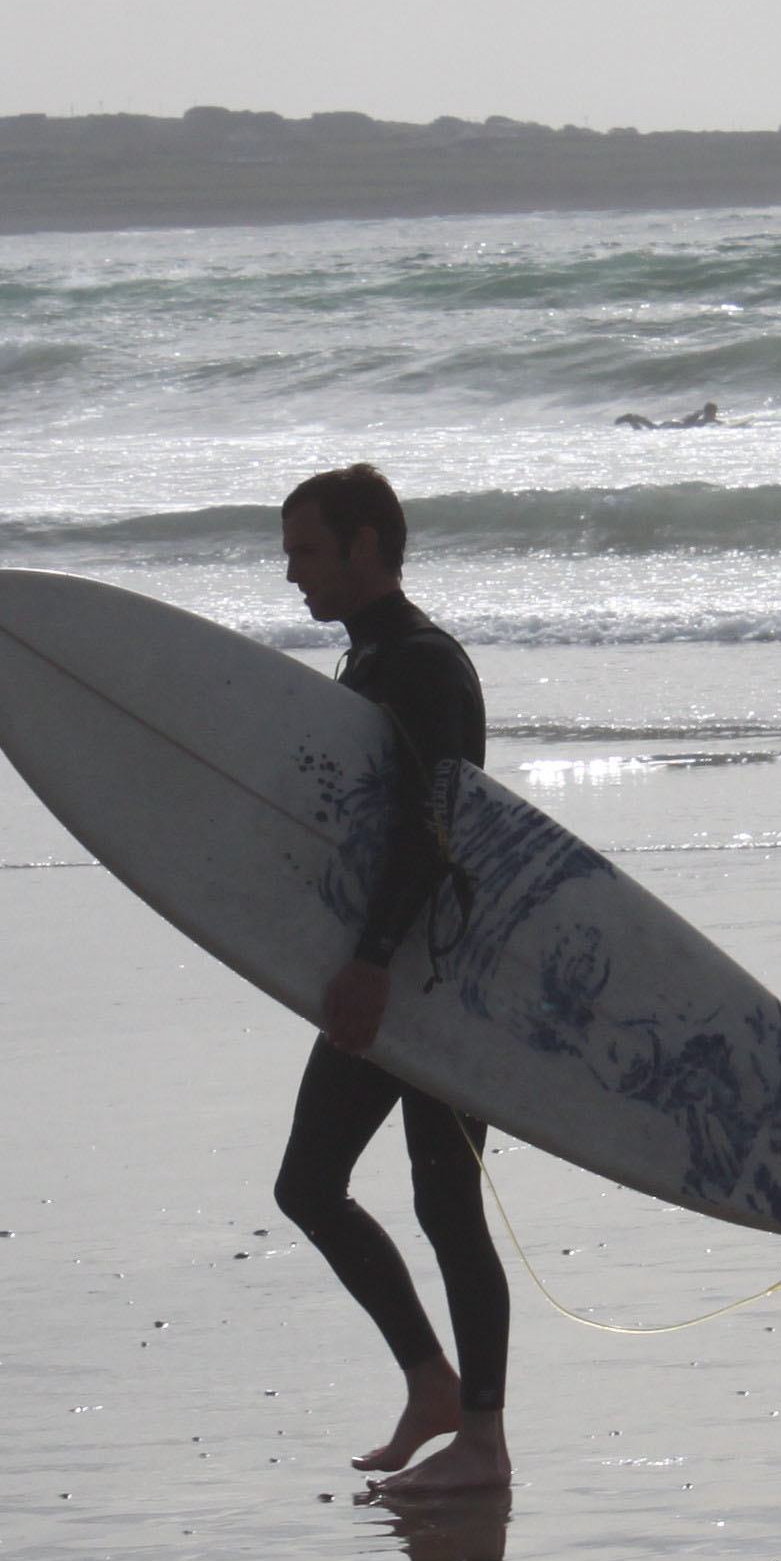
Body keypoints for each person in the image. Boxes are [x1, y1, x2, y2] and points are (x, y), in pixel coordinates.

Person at [271, 463, 510, 1496]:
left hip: (434, 968)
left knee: (446, 1201)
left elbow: (435, 827)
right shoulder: (369, 663)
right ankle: (433, 1386)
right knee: (311, 1184)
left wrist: (372, 959)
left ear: (368, 544)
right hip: (388, 961)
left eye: (308, 550)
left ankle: (484, 1439)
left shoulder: (419, 666)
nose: (292, 575)